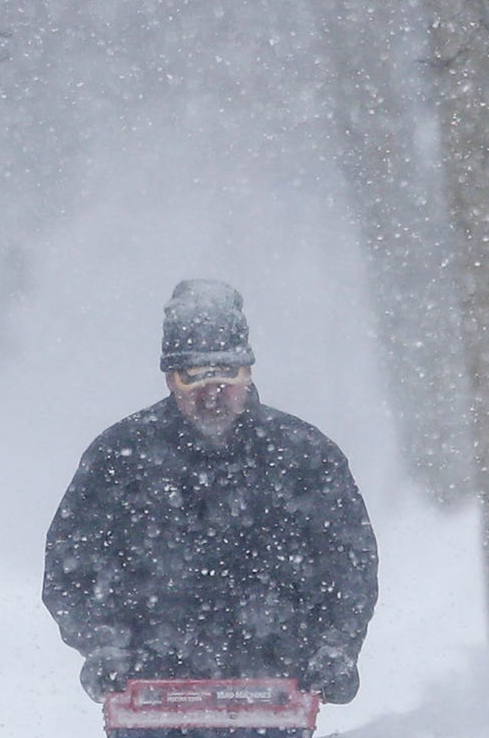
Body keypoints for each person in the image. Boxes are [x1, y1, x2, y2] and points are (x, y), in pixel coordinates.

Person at [43, 279, 379, 708]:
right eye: (193, 378)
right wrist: (104, 645)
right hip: (151, 701)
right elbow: (70, 566)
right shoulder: (120, 460)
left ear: (249, 372)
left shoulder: (305, 458)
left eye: (227, 374)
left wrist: (336, 648)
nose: (212, 393)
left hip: (277, 696)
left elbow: (349, 565)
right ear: (170, 379)